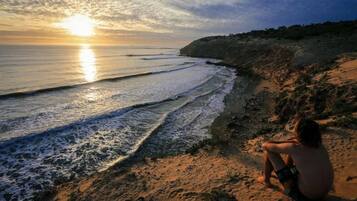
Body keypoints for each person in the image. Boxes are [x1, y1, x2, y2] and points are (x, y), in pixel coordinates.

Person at [257, 118, 334, 201]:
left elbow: (265, 145)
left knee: (270, 152)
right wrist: (292, 142)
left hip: (306, 196)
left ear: (300, 133)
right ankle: (287, 173)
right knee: (292, 157)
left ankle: (266, 180)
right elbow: (294, 147)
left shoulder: (295, 148)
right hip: (324, 193)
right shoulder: (320, 146)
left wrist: (285, 142)